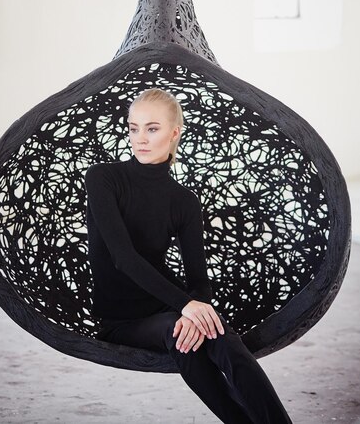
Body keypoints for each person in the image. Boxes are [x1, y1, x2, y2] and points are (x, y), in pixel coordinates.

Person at [84, 87, 293, 424]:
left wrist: (194, 308)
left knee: (219, 336)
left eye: (152, 128)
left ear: (174, 133)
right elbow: (122, 257)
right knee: (180, 333)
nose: (140, 138)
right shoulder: (103, 178)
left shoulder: (183, 201)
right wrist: (186, 308)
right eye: (133, 128)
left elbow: (198, 280)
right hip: (122, 320)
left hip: (168, 306)